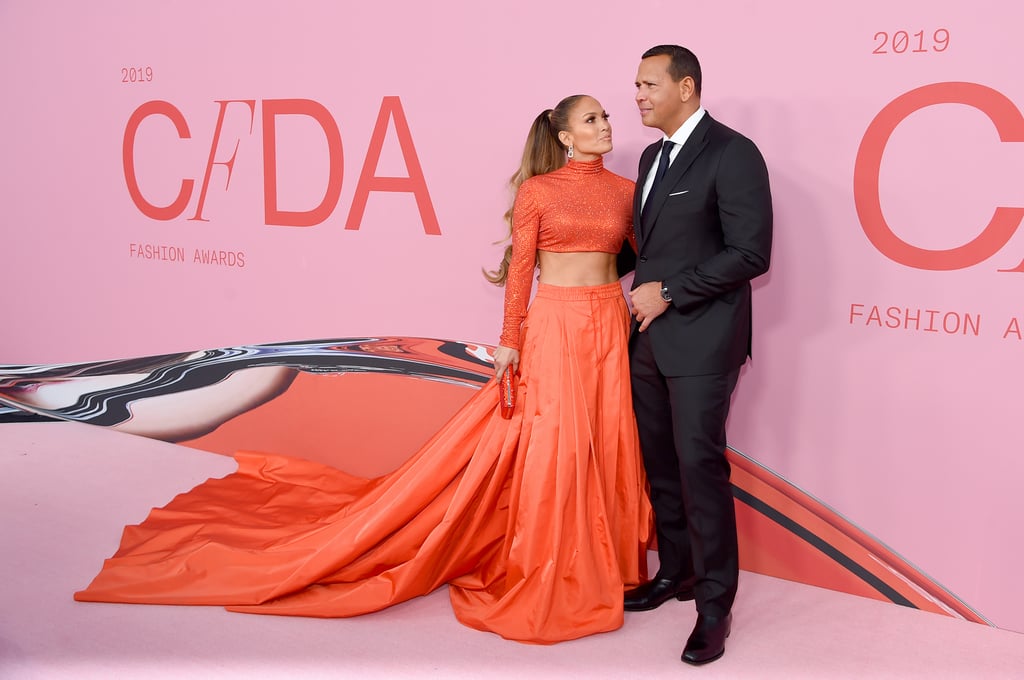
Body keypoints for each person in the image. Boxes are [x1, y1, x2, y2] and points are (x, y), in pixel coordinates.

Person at [74, 94, 652, 645]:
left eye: (605, 116)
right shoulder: (538, 192)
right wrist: (509, 340)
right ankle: (554, 558)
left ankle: (612, 559)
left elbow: (645, 255)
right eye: (593, 118)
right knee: (556, 441)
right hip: (552, 325)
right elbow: (521, 270)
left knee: (608, 434)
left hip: (607, 320)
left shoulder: (627, 191)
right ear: (564, 134)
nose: (606, 125)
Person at [620, 45, 773, 665]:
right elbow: (648, 248)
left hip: (705, 340)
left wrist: (671, 292)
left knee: (698, 468)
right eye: (634, 84)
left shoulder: (733, 153)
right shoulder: (653, 157)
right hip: (648, 342)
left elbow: (751, 252)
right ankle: (676, 573)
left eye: (648, 84)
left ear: (686, 87)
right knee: (660, 465)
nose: (637, 95)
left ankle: (715, 607)